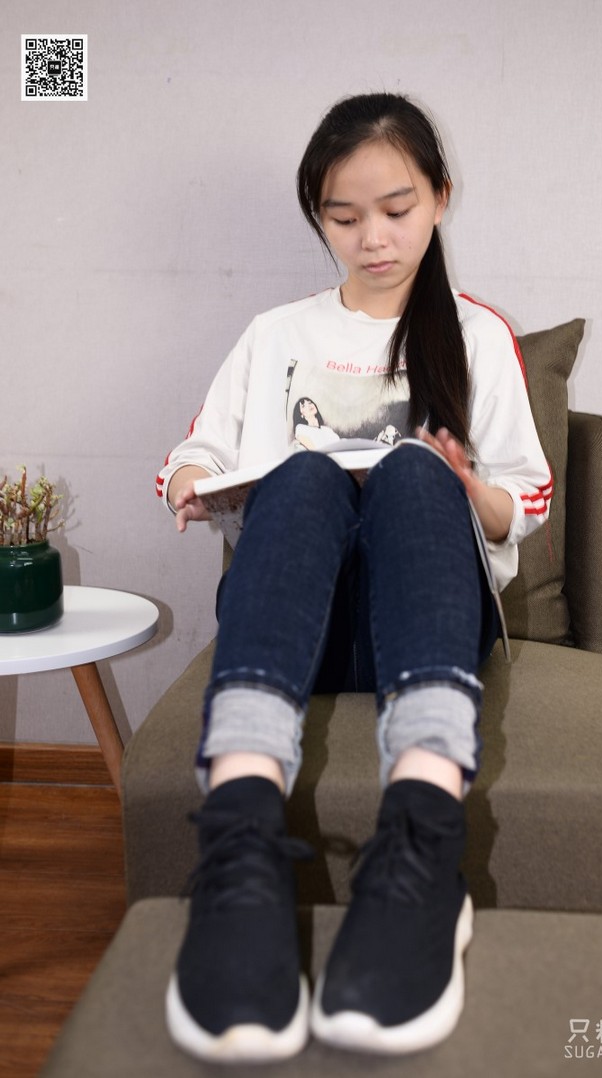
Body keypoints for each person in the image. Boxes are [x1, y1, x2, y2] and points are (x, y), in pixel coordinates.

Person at [156, 92, 551, 1064]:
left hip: (426, 628)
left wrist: (464, 483)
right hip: (307, 629)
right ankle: (239, 846)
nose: (373, 238)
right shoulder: (275, 334)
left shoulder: (478, 335)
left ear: (441, 198)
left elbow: (527, 501)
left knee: (414, 470)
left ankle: (423, 841)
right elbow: (198, 449)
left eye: (397, 209)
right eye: (343, 217)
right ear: (320, 218)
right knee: (302, 474)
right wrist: (191, 480)